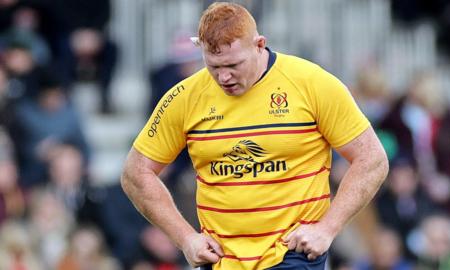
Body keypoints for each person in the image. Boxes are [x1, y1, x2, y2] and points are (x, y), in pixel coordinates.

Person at [121, 2, 388, 270]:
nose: (224, 77)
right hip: (220, 260)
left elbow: (372, 159)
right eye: (213, 66)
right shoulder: (184, 97)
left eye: (234, 64)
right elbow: (136, 173)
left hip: (292, 255)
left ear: (259, 45)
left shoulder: (312, 83)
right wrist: (186, 239)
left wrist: (328, 228)